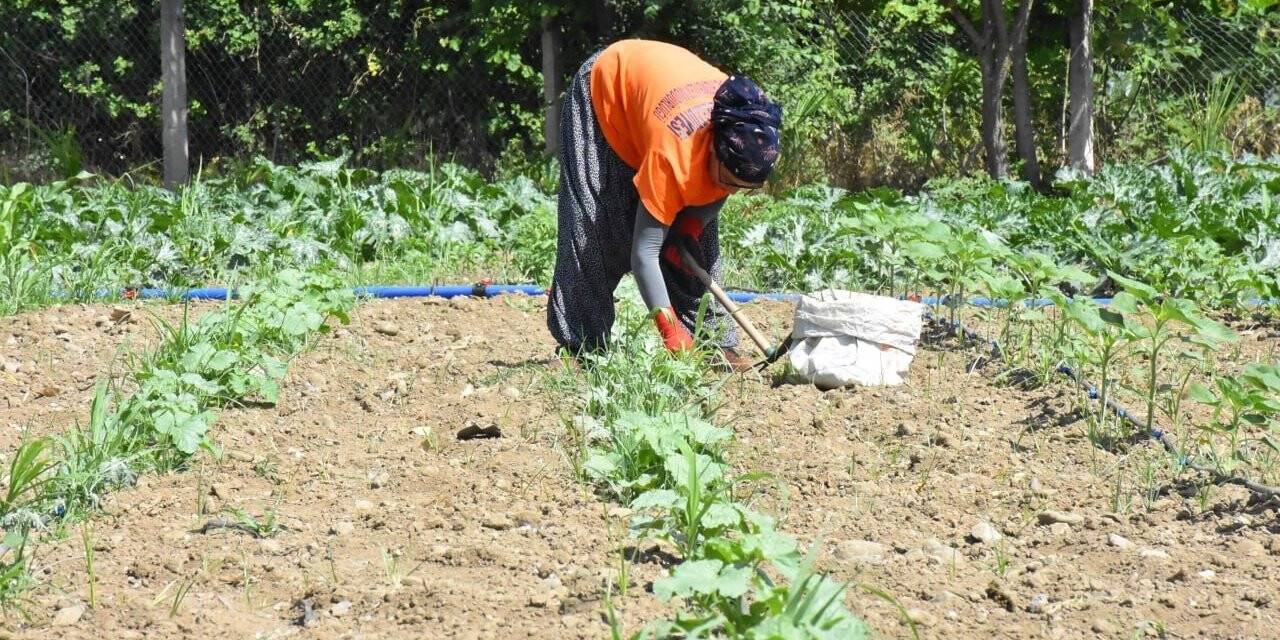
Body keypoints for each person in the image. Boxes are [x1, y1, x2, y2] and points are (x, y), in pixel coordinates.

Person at [546, 39, 783, 368]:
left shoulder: (745, 131)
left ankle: (712, 345)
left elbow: (719, 189)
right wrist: (668, 330)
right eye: (731, 182)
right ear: (713, 150)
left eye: (746, 188)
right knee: (593, 229)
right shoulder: (675, 158)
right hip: (606, 91)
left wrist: (691, 226)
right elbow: (644, 254)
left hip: (656, 99)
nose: (734, 192)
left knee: (695, 248)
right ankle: (581, 346)